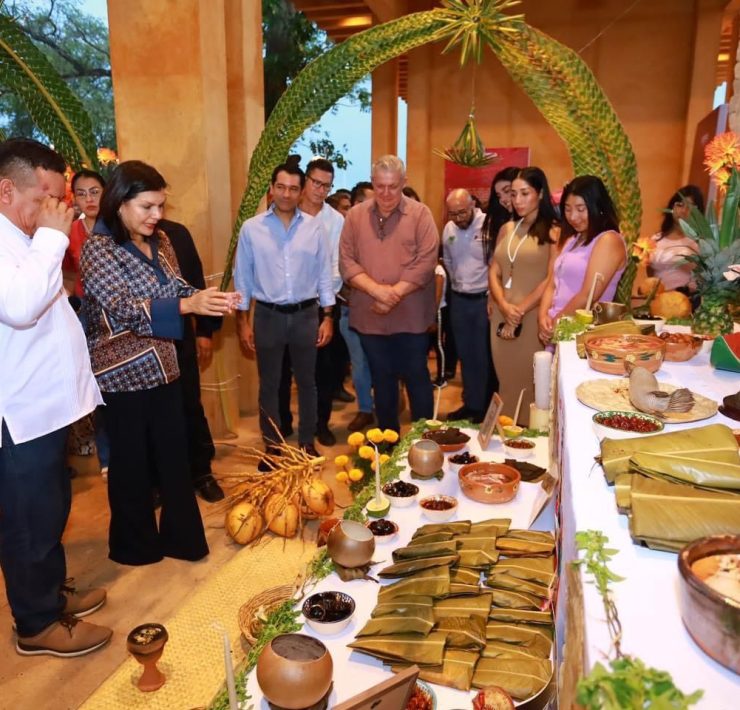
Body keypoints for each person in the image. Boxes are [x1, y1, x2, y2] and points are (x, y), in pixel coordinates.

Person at [81, 160, 239, 565]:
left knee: (174, 455)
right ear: (120, 203)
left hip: (166, 364)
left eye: (161, 206)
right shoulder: (98, 249)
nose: (157, 216)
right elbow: (120, 307)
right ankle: (135, 547)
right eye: (148, 207)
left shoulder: (162, 240)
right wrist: (187, 303)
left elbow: (176, 286)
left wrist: (208, 298)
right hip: (122, 376)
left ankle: (182, 539)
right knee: (131, 464)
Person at [0, 137, 112, 657]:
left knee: (50, 511)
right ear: (7, 190)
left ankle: (51, 595)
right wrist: (51, 237)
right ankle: (37, 624)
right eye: (44, 197)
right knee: (27, 521)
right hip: (19, 414)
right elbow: (21, 307)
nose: (56, 210)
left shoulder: (23, 236)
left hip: (46, 408)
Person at [235, 157, 335, 460]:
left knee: (308, 382)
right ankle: (273, 445)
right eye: (281, 187)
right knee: (269, 385)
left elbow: (324, 275)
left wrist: (327, 317)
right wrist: (242, 322)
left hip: (306, 315)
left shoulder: (315, 229)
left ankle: (306, 441)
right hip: (267, 316)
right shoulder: (251, 230)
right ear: (272, 189)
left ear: (301, 190)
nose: (287, 194)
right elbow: (243, 279)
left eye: (293, 188)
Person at [339, 154, 438, 432]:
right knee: (381, 381)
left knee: (417, 377)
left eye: (393, 186)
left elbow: (427, 261)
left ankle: (422, 444)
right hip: (370, 316)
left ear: (403, 183)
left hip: (411, 316)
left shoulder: (421, 214)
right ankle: (388, 446)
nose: (385, 193)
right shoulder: (355, 216)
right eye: (380, 186)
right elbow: (346, 261)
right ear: (372, 183)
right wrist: (377, 291)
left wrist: (393, 294)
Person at [159, 218, 225, 502]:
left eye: (159, 204)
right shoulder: (115, 238)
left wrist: (205, 332)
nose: (154, 212)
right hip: (142, 346)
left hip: (181, 337)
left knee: (189, 405)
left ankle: (202, 472)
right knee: (155, 416)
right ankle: (160, 481)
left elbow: (195, 283)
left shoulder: (176, 233)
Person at [489, 167, 559, 424]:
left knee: (529, 382)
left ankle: (528, 443)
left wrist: (518, 311)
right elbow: (494, 270)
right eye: (513, 194)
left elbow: (551, 279)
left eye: (525, 193)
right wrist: (504, 306)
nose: (517, 200)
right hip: (501, 314)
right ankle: (506, 435)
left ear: (540, 194)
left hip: (530, 318)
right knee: (505, 379)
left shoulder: (554, 231)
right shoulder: (508, 228)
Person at [538, 175, 627, 343]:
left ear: (597, 207)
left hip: (583, 335)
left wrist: (558, 323)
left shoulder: (608, 240)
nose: (573, 216)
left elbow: (589, 295)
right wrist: (543, 317)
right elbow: (552, 282)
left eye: (580, 209)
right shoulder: (572, 239)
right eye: (568, 209)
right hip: (558, 328)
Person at [63, 169, 110, 478]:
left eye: (95, 191)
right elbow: (66, 275)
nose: (89, 199)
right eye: (82, 193)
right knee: (94, 388)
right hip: (85, 317)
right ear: (74, 198)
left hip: (120, 316)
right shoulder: (68, 232)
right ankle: (106, 456)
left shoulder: (118, 227)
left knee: (115, 382)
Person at [442, 188, 496, 422]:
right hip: (459, 300)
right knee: (465, 354)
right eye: (453, 213)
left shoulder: (489, 225)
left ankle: (484, 407)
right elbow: (448, 260)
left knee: (483, 356)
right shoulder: (449, 229)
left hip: (483, 299)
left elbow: (496, 264)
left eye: (462, 212)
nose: (458, 218)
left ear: (473, 204)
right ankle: (470, 404)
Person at [647, 184, 704, 293]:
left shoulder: (699, 242)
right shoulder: (656, 239)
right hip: (658, 300)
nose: (683, 211)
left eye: (690, 207)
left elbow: (704, 277)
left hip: (687, 300)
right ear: (672, 207)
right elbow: (650, 272)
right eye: (680, 205)